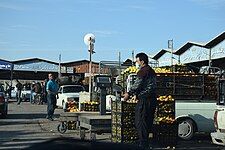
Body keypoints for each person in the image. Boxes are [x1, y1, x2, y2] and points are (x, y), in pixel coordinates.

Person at [123, 52, 157, 149]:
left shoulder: (143, 71)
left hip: (145, 100)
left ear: (142, 61)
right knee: (148, 122)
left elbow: (137, 84)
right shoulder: (151, 70)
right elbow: (149, 85)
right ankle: (145, 143)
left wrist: (128, 94)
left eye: (137, 61)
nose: (136, 63)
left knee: (140, 122)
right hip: (153, 100)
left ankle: (143, 144)